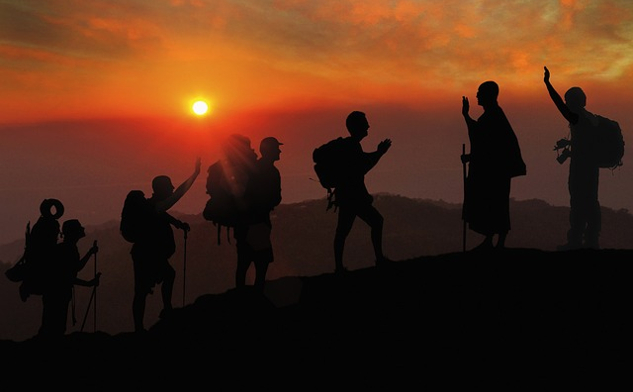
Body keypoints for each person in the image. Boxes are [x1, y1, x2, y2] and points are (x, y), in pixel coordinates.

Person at [131, 158, 201, 332]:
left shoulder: (152, 205)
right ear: (162, 189)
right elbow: (178, 194)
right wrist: (195, 174)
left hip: (142, 253)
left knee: (144, 289)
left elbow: (163, 215)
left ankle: (141, 326)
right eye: (168, 186)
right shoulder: (155, 206)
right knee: (149, 286)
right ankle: (159, 314)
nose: (171, 188)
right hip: (147, 255)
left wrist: (178, 224)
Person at [461, 81, 526, 251]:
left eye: (479, 92)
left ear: (488, 95)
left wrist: (466, 117)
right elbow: (483, 141)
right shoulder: (491, 115)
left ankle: (499, 242)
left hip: (496, 172)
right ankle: (490, 239)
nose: (476, 96)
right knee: (491, 203)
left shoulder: (494, 116)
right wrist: (466, 116)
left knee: (497, 203)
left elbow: (488, 144)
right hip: (493, 170)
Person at [543, 66, 601, 250]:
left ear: (573, 102)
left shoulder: (576, 117)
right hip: (591, 167)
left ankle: (576, 241)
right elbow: (587, 144)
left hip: (581, 168)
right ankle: (591, 240)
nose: (566, 104)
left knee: (578, 202)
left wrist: (547, 84)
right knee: (590, 201)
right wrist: (568, 146)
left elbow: (558, 104)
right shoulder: (590, 118)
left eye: (568, 100)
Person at [333, 111, 392, 274]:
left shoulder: (350, 145)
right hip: (353, 197)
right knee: (376, 221)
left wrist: (379, 152)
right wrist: (380, 152)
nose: (368, 126)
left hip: (347, 197)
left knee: (342, 231)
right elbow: (363, 166)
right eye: (365, 123)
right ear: (357, 126)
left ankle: (339, 267)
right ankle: (379, 259)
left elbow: (362, 161)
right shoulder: (352, 146)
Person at [38, 219, 100, 338]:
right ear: (74, 232)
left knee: (50, 327)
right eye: (79, 227)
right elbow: (69, 275)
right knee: (56, 327)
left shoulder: (65, 248)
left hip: (53, 294)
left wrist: (90, 253)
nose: (83, 229)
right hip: (58, 294)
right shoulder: (69, 249)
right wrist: (88, 283)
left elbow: (73, 270)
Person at [236, 136, 283, 293]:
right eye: (277, 148)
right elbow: (276, 198)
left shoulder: (252, 168)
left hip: (244, 221)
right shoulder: (272, 172)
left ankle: (241, 295)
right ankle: (258, 294)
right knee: (261, 261)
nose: (279, 151)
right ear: (270, 151)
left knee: (244, 262)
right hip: (259, 222)